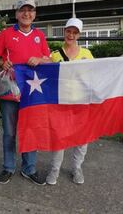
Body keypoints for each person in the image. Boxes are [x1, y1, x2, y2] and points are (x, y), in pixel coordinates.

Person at [0, 0, 51, 185]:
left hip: (32, 91)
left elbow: (48, 59)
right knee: (9, 132)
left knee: (30, 130)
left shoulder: (40, 35)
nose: (26, 14)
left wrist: (40, 59)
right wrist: (4, 62)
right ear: (16, 13)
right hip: (10, 90)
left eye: (30, 10)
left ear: (34, 14)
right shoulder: (6, 34)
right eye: (22, 10)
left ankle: (29, 168)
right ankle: (8, 167)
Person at [46, 17, 93, 185]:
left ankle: (77, 168)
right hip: (61, 103)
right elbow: (46, 72)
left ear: (79, 35)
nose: (71, 35)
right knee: (59, 137)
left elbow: (98, 71)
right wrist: (37, 60)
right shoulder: (55, 54)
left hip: (81, 103)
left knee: (81, 138)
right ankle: (54, 169)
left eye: (75, 32)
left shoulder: (87, 54)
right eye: (68, 31)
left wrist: (120, 60)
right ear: (64, 32)